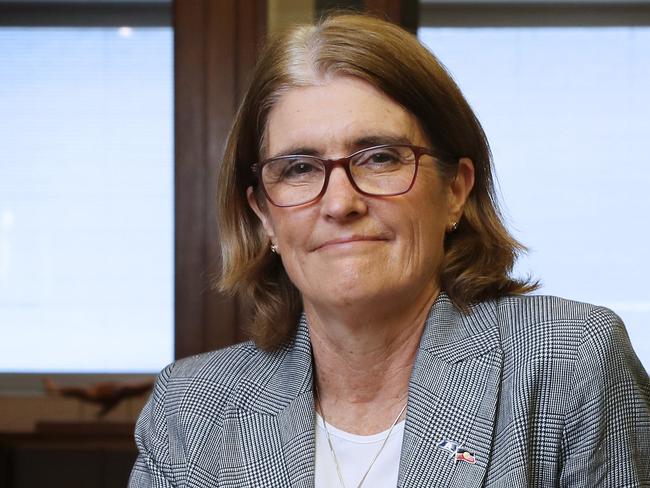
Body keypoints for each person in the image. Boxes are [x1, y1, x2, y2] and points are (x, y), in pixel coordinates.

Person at [129, 13, 650, 488]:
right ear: (264, 214)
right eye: (299, 168)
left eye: (379, 158)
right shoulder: (189, 410)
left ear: (455, 191)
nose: (340, 202)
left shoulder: (569, 359)